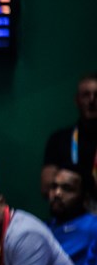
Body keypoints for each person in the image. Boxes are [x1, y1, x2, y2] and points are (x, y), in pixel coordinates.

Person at [42, 72, 97, 202]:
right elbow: (46, 187)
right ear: (77, 100)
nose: (92, 100)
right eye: (86, 95)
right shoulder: (59, 139)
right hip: (70, 217)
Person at [44, 164, 97, 265]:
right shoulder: (43, 227)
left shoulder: (92, 227)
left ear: (84, 196)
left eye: (67, 189)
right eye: (54, 187)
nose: (57, 193)